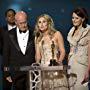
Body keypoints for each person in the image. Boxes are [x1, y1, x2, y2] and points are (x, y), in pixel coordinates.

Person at [3, 11, 35, 90]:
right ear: (16, 22)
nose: (23, 25)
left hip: (31, 71)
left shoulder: (34, 32)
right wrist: (6, 74)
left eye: (25, 22)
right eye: (21, 23)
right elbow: (6, 55)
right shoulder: (8, 34)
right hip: (16, 72)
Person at [35, 14, 68, 90]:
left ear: (49, 23)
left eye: (44, 22)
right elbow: (38, 56)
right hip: (43, 69)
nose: (41, 24)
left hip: (55, 67)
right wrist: (37, 66)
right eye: (39, 22)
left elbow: (62, 51)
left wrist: (59, 62)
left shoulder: (57, 34)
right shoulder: (38, 37)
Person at [67, 7, 90, 90]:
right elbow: (71, 50)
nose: (74, 20)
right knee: (71, 87)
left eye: (77, 18)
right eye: (73, 18)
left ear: (83, 19)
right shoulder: (71, 31)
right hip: (71, 64)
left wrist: (88, 71)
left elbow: (89, 53)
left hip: (81, 65)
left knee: (80, 87)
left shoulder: (87, 31)